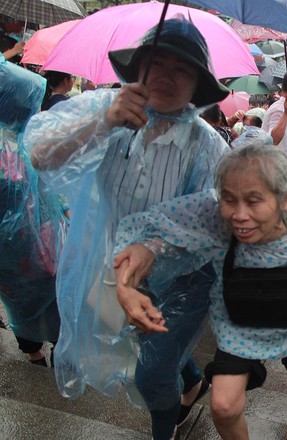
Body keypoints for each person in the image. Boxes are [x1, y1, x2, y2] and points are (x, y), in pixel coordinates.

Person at [24, 17, 231, 440]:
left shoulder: (207, 147)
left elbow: (213, 221)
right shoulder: (107, 114)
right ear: (137, 69)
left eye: (182, 69)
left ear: (198, 86)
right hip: (115, 263)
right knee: (159, 348)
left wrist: (154, 249)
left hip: (185, 281)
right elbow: (43, 157)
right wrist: (102, 123)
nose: (165, 76)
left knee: (153, 372)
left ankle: (164, 429)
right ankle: (190, 379)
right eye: (156, 62)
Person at [112, 145, 287, 440]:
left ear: (284, 201)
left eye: (254, 201)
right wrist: (144, 256)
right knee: (222, 406)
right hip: (242, 320)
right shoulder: (216, 217)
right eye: (229, 200)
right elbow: (165, 229)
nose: (239, 216)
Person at [1, 53, 67, 368]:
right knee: (50, 295)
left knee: (17, 298)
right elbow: (55, 192)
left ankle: (31, 351)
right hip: (40, 241)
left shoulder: (17, 144)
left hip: (11, 250)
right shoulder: (30, 143)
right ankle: (56, 345)